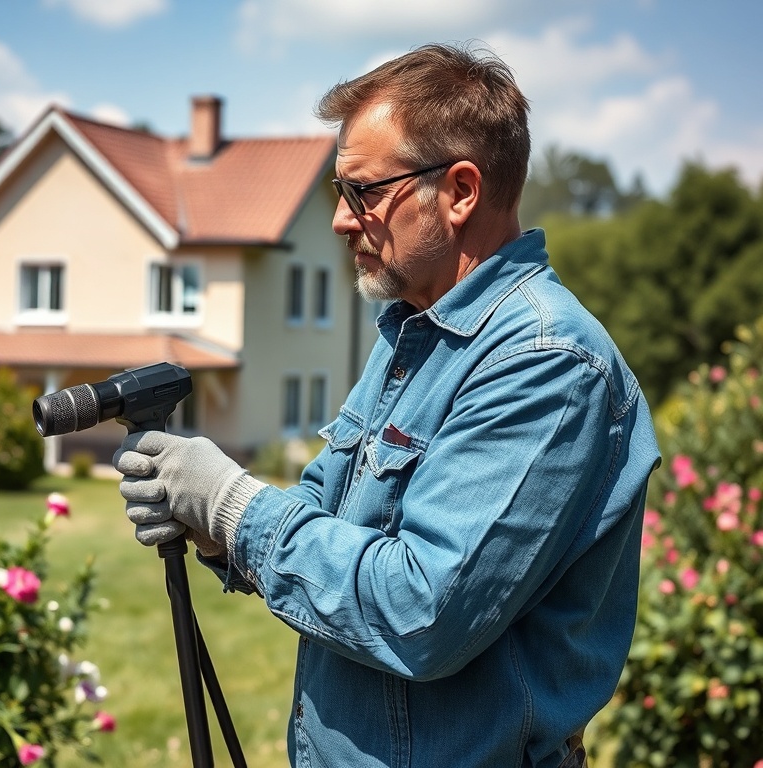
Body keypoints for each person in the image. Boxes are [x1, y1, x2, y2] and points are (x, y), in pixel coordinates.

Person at [114, 42, 660, 768]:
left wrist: (231, 507)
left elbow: (421, 611)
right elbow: (327, 513)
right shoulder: (416, 332)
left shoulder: (544, 362)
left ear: (460, 190)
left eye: (362, 191)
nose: (342, 221)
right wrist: (211, 532)